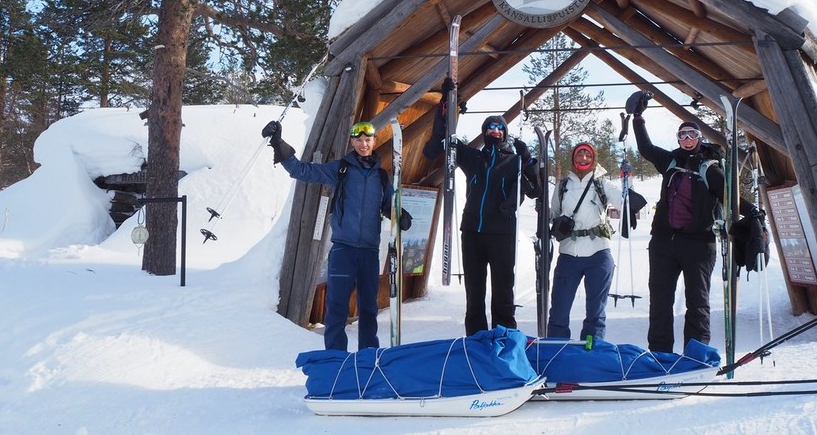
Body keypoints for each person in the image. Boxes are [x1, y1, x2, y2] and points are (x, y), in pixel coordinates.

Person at [262, 119, 410, 351]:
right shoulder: (340, 168)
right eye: (359, 140)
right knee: (337, 307)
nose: (363, 144)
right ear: (352, 141)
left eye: (367, 140)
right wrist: (278, 143)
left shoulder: (382, 177)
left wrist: (401, 214)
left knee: (369, 309)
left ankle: (369, 356)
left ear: (374, 141)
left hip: (370, 252)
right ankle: (335, 358)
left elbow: (388, 205)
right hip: (343, 249)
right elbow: (302, 170)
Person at [423, 85, 540, 335]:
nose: (494, 131)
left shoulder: (514, 160)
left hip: (502, 234)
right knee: (474, 293)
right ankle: (476, 341)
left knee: (502, 293)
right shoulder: (473, 158)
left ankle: (505, 339)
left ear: (505, 133)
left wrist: (528, 157)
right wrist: (448, 106)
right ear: (484, 131)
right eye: (490, 126)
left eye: (499, 128)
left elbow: (536, 189)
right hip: (473, 233)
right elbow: (444, 139)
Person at [627, 91, 724, 354]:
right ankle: (660, 355)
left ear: (699, 139)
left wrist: (752, 216)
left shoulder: (711, 167)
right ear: (678, 139)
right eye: (683, 135)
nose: (687, 139)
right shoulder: (670, 161)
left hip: (699, 244)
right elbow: (646, 149)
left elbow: (731, 197)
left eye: (692, 135)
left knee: (697, 302)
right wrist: (638, 118)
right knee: (660, 302)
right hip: (664, 243)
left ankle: (696, 354)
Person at [546, 142, 622, 341]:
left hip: (598, 254)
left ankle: (591, 350)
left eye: (588, 155)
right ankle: (556, 349)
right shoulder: (562, 186)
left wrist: (627, 182)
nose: (583, 159)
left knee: (595, 313)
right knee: (559, 312)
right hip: (569, 254)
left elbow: (623, 202)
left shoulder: (602, 183)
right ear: (573, 158)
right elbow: (552, 213)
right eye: (579, 154)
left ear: (594, 159)